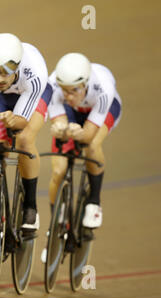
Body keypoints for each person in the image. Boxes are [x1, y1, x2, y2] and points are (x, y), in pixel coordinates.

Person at [0, 33, 52, 242]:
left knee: (23, 140)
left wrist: (12, 121)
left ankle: (30, 208)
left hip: (33, 96)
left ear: (16, 67)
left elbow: (21, 122)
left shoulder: (34, 73)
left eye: (5, 72)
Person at [47, 52, 122, 228]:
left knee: (92, 145)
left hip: (103, 109)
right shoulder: (52, 86)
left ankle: (94, 203)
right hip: (72, 112)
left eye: (74, 90)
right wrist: (63, 130)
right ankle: (55, 226)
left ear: (86, 84)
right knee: (58, 170)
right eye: (64, 90)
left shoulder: (103, 87)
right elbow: (60, 125)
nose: (69, 96)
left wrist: (77, 133)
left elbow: (88, 135)